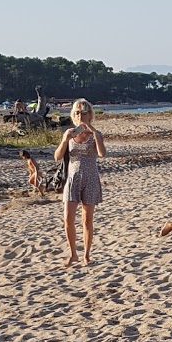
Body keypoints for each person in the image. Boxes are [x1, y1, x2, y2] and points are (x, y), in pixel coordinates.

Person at [53, 98, 105, 266]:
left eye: (84, 112)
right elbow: (57, 157)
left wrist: (94, 133)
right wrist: (64, 140)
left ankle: (87, 254)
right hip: (72, 178)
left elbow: (102, 154)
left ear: (90, 114)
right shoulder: (69, 133)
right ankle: (73, 253)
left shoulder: (96, 134)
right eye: (77, 112)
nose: (80, 115)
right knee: (68, 218)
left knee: (87, 219)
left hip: (90, 178)